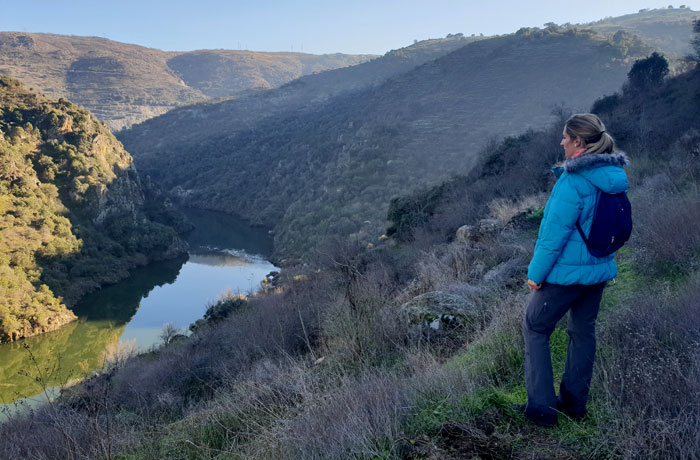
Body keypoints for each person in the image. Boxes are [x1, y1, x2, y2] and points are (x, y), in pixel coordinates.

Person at [516, 113, 629, 427]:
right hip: (598, 270)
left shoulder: (574, 180)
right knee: (583, 333)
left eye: (565, 137)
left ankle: (541, 410)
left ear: (579, 142)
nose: (561, 141)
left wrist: (536, 275)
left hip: (567, 274)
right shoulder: (612, 173)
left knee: (535, 327)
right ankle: (574, 405)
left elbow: (553, 235)